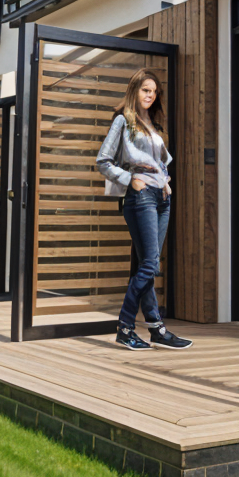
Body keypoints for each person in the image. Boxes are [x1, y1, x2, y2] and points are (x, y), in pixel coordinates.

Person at [95, 68, 193, 351]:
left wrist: (166, 180)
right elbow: (103, 160)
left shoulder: (152, 124)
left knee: (146, 265)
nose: (150, 95)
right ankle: (125, 327)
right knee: (150, 264)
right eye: (145, 90)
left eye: (154, 91)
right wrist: (131, 180)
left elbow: (159, 161)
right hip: (140, 198)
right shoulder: (123, 121)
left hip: (161, 198)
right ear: (134, 90)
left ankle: (156, 330)